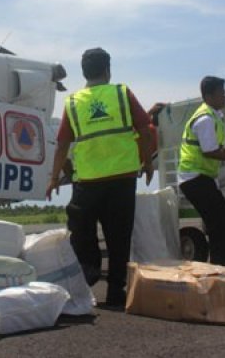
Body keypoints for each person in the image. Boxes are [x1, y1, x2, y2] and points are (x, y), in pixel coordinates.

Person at [46, 48, 153, 308]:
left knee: (81, 229)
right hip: (122, 178)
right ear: (108, 70)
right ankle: (116, 291)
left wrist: (54, 178)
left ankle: (90, 267)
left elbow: (62, 144)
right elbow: (145, 128)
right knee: (119, 236)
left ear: (84, 72)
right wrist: (147, 162)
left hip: (88, 181)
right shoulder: (122, 93)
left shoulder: (73, 102)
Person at [177, 76, 225, 267]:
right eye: (221, 93)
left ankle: (221, 265)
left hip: (202, 178)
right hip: (193, 177)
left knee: (221, 220)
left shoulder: (216, 117)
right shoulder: (204, 119)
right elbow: (210, 151)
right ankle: (221, 266)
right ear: (209, 96)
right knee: (221, 220)